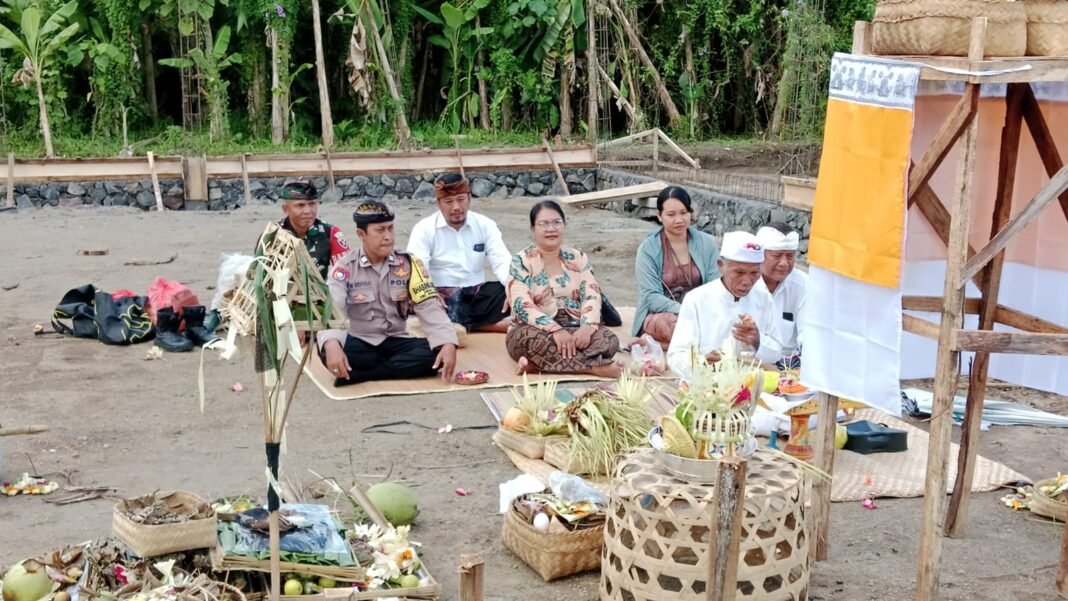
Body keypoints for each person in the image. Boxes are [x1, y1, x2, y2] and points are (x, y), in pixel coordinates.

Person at [317, 201, 458, 386]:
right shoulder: (344, 268)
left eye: (390, 228)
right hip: (360, 341)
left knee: (432, 351)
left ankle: (365, 375)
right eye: (380, 230)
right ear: (361, 234)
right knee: (329, 349)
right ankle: (390, 369)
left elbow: (428, 305)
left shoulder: (409, 263)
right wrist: (332, 344)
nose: (388, 236)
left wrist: (447, 343)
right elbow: (333, 309)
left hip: (397, 340)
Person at [505, 200, 623, 377]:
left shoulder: (578, 258)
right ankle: (594, 368)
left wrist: (588, 327)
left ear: (564, 225)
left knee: (608, 341)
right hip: (536, 329)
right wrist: (555, 330)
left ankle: (536, 367)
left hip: (575, 327)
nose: (551, 229)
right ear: (532, 229)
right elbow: (522, 305)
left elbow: (592, 294)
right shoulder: (521, 261)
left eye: (556, 222)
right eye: (543, 224)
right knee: (531, 343)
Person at [666, 231, 782, 379]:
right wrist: (700, 363)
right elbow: (676, 357)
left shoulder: (763, 299)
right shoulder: (697, 299)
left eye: (754, 273)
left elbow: (776, 353)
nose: (747, 281)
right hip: (707, 388)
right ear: (721, 266)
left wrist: (757, 341)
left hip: (750, 386)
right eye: (739, 272)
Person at [406, 173, 512, 333]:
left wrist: (514, 290)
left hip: (476, 295)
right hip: (441, 296)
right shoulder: (424, 229)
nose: (456, 207)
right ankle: (487, 326)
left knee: (518, 290)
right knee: (412, 299)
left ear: (469, 198)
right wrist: (429, 295)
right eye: (448, 201)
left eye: (461, 199)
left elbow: (502, 262)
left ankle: (451, 327)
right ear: (438, 204)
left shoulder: (485, 225)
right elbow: (418, 269)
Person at [633, 186, 720, 346]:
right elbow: (651, 296)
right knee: (676, 326)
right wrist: (685, 310)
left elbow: (715, 285)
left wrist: (702, 310)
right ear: (659, 216)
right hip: (663, 313)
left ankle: (661, 344)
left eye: (684, 213)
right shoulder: (648, 249)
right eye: (671, 215)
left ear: (690, 213)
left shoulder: (707, 243)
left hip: (701, 310)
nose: (679, 220)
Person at [755, 223, 808, 362]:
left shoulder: (803, 285)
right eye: (777, 256)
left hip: (790, 365)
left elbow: (808, 337)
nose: (784, 263)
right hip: (750, 362)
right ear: (760, 254)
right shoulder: (746, 284)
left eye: (790, 256)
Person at [277, 181, 349, 279]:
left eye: (312, 204)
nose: (308, 211)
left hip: (319, 293)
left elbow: (346, 273)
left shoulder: (330, 233)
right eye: (300, 205)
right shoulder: (274, 235)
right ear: (285, 209)